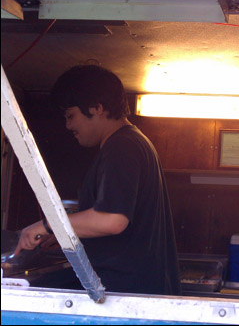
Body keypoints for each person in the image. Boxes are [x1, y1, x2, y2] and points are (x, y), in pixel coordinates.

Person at [15, 65, 181, 296]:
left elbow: (112, 220)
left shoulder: (122, 146)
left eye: (71, 115)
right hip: (133, 291)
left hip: (127, 296)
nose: (68, 126)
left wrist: (49, 225)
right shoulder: (131, 143)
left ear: (97, 108)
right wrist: (66, 232)